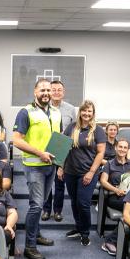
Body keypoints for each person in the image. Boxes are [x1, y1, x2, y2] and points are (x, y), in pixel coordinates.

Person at [12, 78, 60, 259]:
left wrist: (61, 161)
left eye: (49, 90)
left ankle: (36, 233)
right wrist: (40, 153)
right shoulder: (26, 112)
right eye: (42, 90)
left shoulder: (55, 112)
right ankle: (30, 247)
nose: (46, 93)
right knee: (36, 205)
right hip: (34, 167)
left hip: (51, 165)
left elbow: (57, 138)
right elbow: (16, 140)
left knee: (42, 201)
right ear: (35, 92)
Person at [60, 100, 106, 246]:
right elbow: (64, 147)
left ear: (93, 113)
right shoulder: (71, 127)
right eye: (84, 111)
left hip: (87, 173)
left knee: (84, 203)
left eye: (89, 111)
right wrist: (60, 167)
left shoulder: (98, 131)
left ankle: (85, 233)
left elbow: (100, 153)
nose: (86, 113)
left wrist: (91, 172)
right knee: (74, 202)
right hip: (70, 172)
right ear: (80, 112)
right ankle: (79, 228)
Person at [99, 138, 130, 256]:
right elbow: (103, 181)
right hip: (115, 197)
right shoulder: (109, 164)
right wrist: (116, 190)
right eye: (120, 147)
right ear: (116, 148)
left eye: (125, 147)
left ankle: (122, 237)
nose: (122, 149)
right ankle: (112, 240)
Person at [44, 80, 75, 223]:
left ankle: (57, 211)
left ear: (63, 92)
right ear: (49, 92)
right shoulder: (43, 108)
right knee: (46, 182)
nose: (56, 92)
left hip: (63, 149)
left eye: (59, 90)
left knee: (60, 182)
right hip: (46, 149)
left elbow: (75, 129)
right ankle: (46, 210)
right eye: (53, 90)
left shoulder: (70, 109)